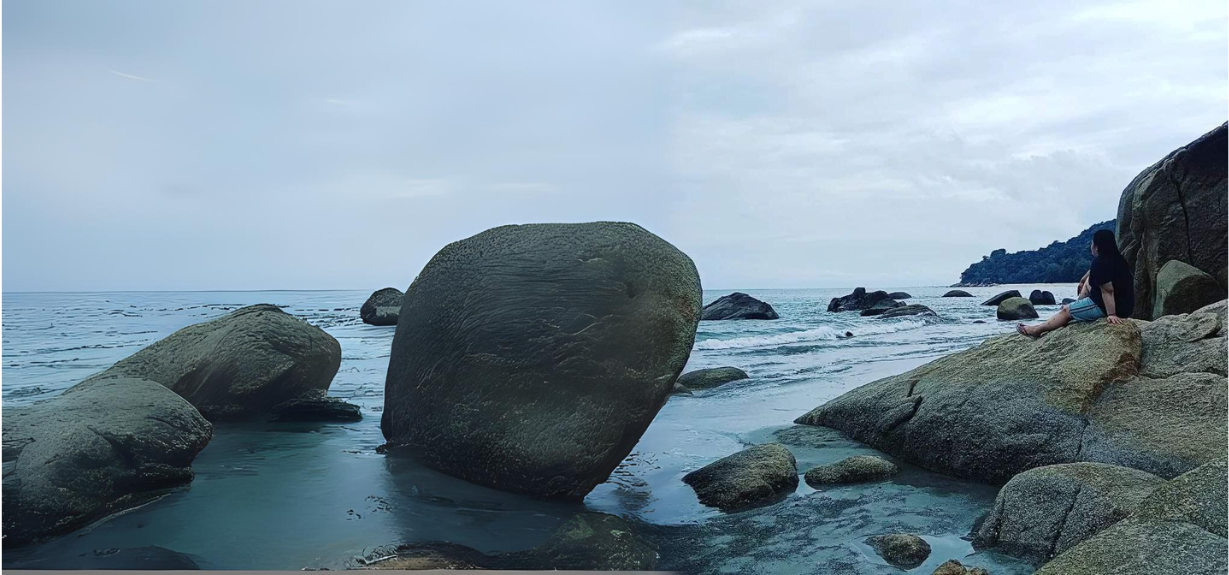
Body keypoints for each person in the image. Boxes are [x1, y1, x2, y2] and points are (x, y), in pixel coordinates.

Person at [1017, 229, 1134, 338]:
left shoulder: (1099, 263)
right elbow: (1094, 274)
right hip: (1126, 306)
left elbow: (1108, 291)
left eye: (1092, 243)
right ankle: (1078, 307)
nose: (1091, 246)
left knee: (1065, 311)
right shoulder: (1117, 259)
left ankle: (1037, 330)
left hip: (1108, 307)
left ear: (1097, 247)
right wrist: (1083, 280)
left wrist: (1112, 314)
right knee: (1088, 281)